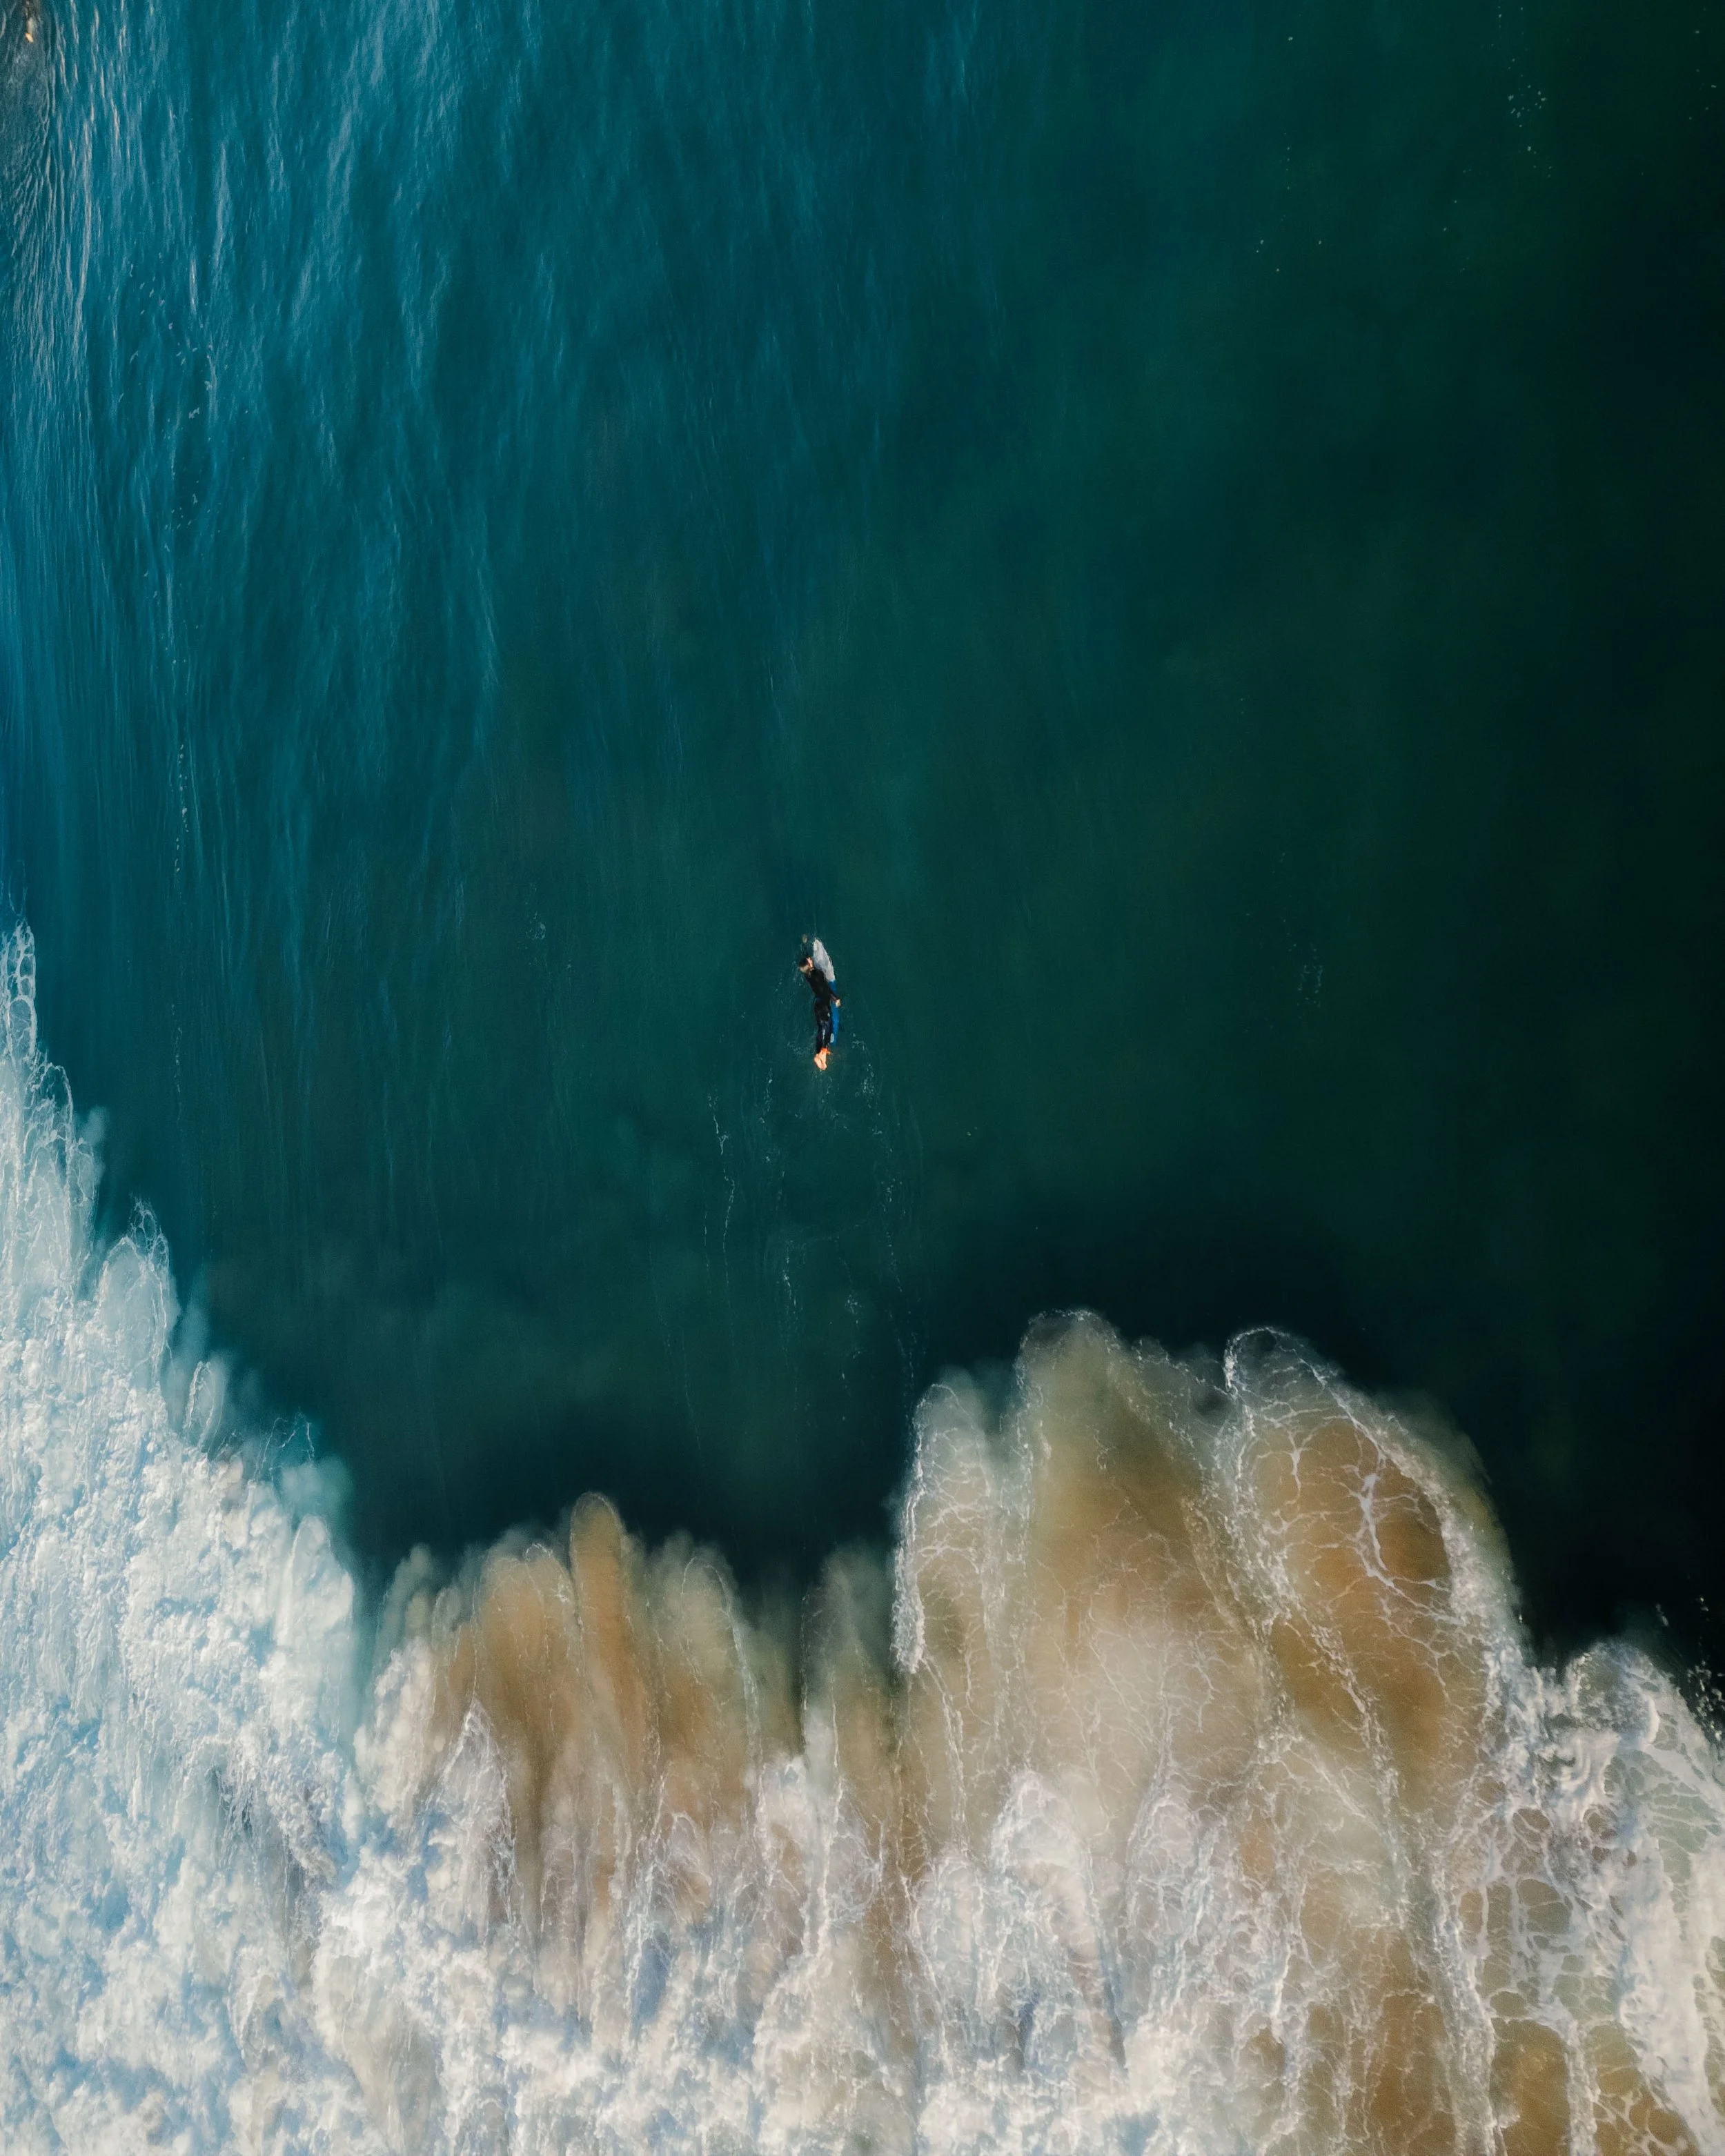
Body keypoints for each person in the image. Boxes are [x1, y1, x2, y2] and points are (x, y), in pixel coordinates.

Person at [798, 938, 840, 1069]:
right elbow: (825, 990)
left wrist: (804, 945)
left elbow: (806, 961)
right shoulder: (817, 975)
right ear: (810, 966)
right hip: (822, 1004)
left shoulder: (808, 974)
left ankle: (819, 1054)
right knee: (827, 1029)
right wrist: (835, 999)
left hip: (817, 1005)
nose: (811, 959)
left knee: (821, 1029)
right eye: (810, 961)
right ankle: (821, 1054)